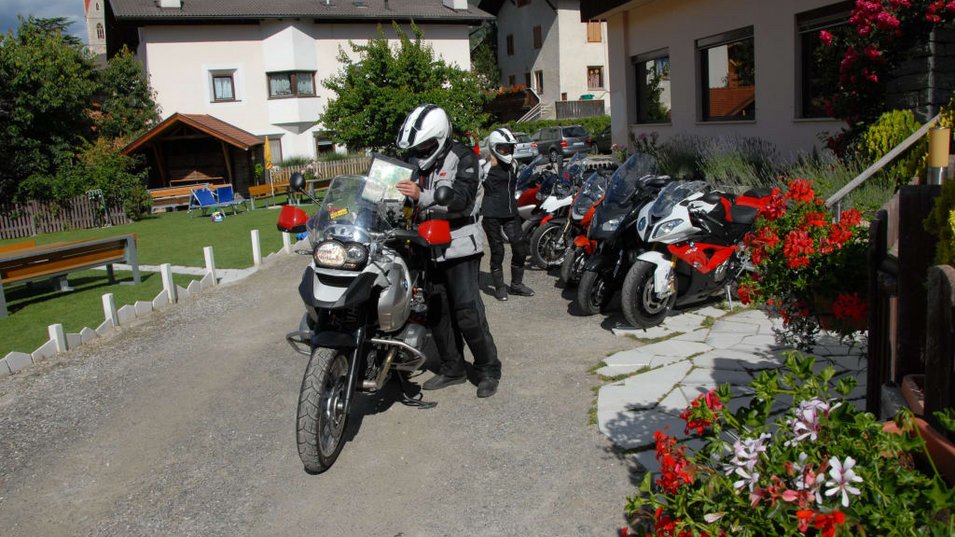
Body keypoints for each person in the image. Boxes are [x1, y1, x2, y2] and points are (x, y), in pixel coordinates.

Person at [394, 104, 501, 398]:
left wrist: (422, 196)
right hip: (426, 246)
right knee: (437, 311)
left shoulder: (463, 157)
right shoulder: (415, 162)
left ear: (439, 137)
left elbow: (462, 200)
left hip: (459, 246)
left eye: (425, 144)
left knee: (467, 312)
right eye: (417, 146)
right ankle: (452, 368)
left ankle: (488, 369)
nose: (420, 151)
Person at [480, 128, 534, 301]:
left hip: (511, 212)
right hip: (491, 214)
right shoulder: (484, 167)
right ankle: (499, 287)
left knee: (520, 247)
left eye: (510, 147)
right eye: (504, 147)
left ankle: (516, 285)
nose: (508, 151)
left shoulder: (514, 165)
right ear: (495, 147)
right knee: (498, 251)